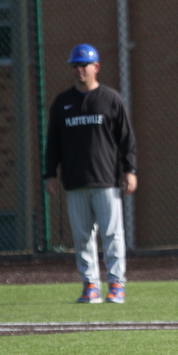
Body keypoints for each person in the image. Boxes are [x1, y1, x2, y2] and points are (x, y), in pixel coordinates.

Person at [44, 43, 138, 303]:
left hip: (107, 180)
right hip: (75, 181)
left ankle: (116, 284)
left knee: (112, 234)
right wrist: (50, 174)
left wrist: (130, 170)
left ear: (96, 67)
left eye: (84, 64)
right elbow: (53, 142)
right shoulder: (63, 102)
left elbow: (126, 139)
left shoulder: (110, 99)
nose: (79, 70)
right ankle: (90, 285)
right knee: (82, 237)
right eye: (75, 65)